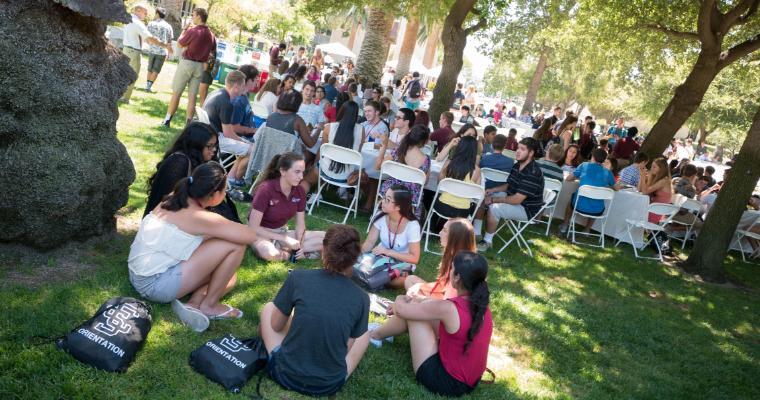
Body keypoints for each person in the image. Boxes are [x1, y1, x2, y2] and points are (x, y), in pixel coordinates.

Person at [129, 162, 258, 331]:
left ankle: (194, 303)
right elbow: (249, 235)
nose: (226, 194)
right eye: (225, 190)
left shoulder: (175, 197)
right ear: (214, 194)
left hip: (138, 273)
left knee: (229, 276)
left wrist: (214, 233)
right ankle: (210, 306)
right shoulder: (201, 217)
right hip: (154, 285)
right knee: (236, 246)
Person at [259, 224, 370, 397]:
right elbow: (344, 350)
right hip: (328, 385)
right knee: (363, 335)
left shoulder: (298, 277)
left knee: (268, 309)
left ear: (323, 250)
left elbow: (275, 325)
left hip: (283, 372)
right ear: (356, 258)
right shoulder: (362, 298)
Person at [375, 251, 492, 397]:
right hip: (470, 380)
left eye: (452, 268)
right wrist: (415, 301)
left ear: (457, 277)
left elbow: (403, 310)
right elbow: (432, 306)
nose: (449, 271)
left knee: (414, 316)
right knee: (419, 310)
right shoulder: (482, 306)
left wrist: (400, 299)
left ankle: (374, 335)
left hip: (447, 382)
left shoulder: (450, 308)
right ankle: (380, 333)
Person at [368, 218, 476, 346]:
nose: (440, 233)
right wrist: (419, 288)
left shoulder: (459, 267)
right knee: (411, 282)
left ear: (455, 238)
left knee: (411, 306)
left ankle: (377, 334)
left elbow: (446, 304)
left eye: (445, 230)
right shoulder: (461, 258)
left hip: (451, 323)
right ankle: (387, 330)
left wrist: (414, 300)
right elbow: (442, 286)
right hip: (452, 314)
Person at [144, 121, 240, 222]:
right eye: (209, 146)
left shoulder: (196, 161)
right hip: (165, 222)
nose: (214, 150)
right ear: (196, 145)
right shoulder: (178, 162)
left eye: (215, 145)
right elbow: (169, 202)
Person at [248, 152, 325, 261]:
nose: (301, 177)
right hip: (261, 233)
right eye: (297, 172)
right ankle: (291, 253)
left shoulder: (299, 191)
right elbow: (253, 226)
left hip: (281, 232)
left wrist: (300, 245)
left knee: (326, 238)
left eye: (302, 172)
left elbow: (300, 225)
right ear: (283, 171)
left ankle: (295, 251)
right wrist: (285, 239)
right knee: (270, 253)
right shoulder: (266, 189)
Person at [477, 138, 545, 250]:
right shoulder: (517, 165)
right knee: (483, 197)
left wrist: (494, 200)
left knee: (494, 208)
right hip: (515, 199)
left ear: (531, 153)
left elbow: (517, 199)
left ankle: (487, 241)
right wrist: (493, 190)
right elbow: (509, 185)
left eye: (522, 149)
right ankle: (476, 233)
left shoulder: (533, 173)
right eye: (518, 148)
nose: (517, 151)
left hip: (526, 209)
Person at [161, 8, 215, 127]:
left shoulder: (193, 31)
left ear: (199, 17)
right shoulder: (211, 35)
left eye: (194, 15)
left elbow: (180, 44)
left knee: (177, 93)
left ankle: (167, 120)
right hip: (200, 66)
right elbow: (212, 51)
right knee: (192, 98)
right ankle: (188, 125)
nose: (192, 18)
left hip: (187, 63)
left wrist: (185, 30)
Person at [360, 185, 422, 289]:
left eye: (387, 200)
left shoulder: (412, 225)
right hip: (380, 258)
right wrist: (359, 257)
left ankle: (375, 278)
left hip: (401, 263)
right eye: (384, 197)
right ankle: (374, 278)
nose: (382, 201)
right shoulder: (381, 216)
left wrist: (387, 252)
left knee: (395, 280)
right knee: (359, 263)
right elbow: (369, 243)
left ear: (398, 207)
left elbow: (414, 258)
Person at [368, 125, 431, 218]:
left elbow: (378, 167)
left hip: (391, 190)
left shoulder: (398, 151)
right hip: (411, 195)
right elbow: (424, 182)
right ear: (425, 141)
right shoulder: (426, 160)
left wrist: (383, 148)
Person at [202, 70, 250, 186]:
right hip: (214, 139)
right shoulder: (226, 103)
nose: (245, 89)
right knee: (252, 150)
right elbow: (228, 133)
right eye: (243, 86)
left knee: (246, 146)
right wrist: (244, 142)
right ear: (236, 86)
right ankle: (232, 179)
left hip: (205, 133)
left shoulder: (215, 92)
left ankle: (231, 177)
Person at [120, 3, 172, 103]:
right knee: (132, 75)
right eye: (145, 12)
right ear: (138, 10)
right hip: (134, 51)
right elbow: (150, 38)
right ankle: (125, 98)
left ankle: (121, 95)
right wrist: (165, 46)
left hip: (126, 50)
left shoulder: (128, 19)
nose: (146, 14)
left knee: (124, 75)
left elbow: (143, 37)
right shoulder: (137, 23)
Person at [558, 149, 616, 234]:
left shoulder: (584, 165)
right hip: (597, 210)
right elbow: (615, 187)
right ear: (604, 160)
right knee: (597, 202)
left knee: (571, 201)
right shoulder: (608, 173)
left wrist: (580, 177)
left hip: (578, 206)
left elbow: (568, 178)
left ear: (593, 157)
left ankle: (565, 224)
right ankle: (587, 229)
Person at [434, 136, 481, 229]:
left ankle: (434, 227)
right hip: (462, 211)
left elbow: (439, 184)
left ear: (460, 147)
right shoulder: (477, 171)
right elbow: (475, 194)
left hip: (443, 207)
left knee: (433, 198)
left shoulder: (449, 164)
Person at [472, 135, 515, 235]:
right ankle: (487, 235)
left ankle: (477, 231)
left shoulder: (485, 159)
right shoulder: (510, 162)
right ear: (504, 146)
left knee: (481, 201)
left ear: (492, 145)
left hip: (484, 191)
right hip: (500, 193)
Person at [143, 7, 174, 93]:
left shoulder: (151, 24)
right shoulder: (168, 26)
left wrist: (149, 43)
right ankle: (149, 86)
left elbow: (146, 37)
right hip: (162, 52)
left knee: (150, 68)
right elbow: (169, 41)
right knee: (156, 70)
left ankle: (147, 85)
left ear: (157, 13)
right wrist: (169, 52)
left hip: (152, 50)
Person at [638, 158, 673, 224]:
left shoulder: (664, 180)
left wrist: (643, 177)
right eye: (651, 166)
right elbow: (640, 190)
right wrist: (642, 177)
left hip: (655, 213)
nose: (651, 169)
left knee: (632, 209)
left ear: (661, 169)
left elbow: (644, 192)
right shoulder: (657, 178)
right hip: (651, 209)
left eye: (654, 167)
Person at [229, 65, 260, 138]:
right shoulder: (239, 100)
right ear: (249, 80)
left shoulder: (246, 94)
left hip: (247, 134)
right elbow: (234, 128)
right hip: (240, 138)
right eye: (256, 79)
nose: (257, 82)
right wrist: (255, 130)